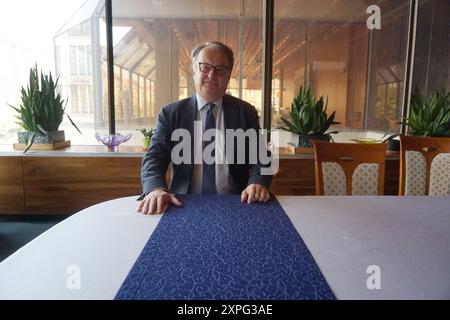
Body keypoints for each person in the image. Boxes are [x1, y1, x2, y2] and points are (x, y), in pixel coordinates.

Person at [137, 41, 272, 215]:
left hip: (237, 204)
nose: (212, 74)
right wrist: (155, 189)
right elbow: (154, 158)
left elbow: (262, 156)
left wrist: (258, 182)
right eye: (205, 67)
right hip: (182, 204)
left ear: (229, 74)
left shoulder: (245, 112)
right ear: (194, 71)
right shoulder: (171, 114)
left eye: (220, 69)